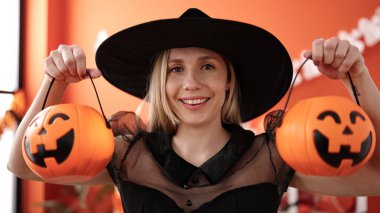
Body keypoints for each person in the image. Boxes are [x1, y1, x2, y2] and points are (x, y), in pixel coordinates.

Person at [8, 8, 380, 213]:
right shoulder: (124, 154)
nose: (191, 83)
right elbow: (22, 164)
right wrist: (53, 81)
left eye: (207, 66)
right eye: (175, 69)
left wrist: (356, 77)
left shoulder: (273, 157)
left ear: (228, 82)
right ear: (160, 84)